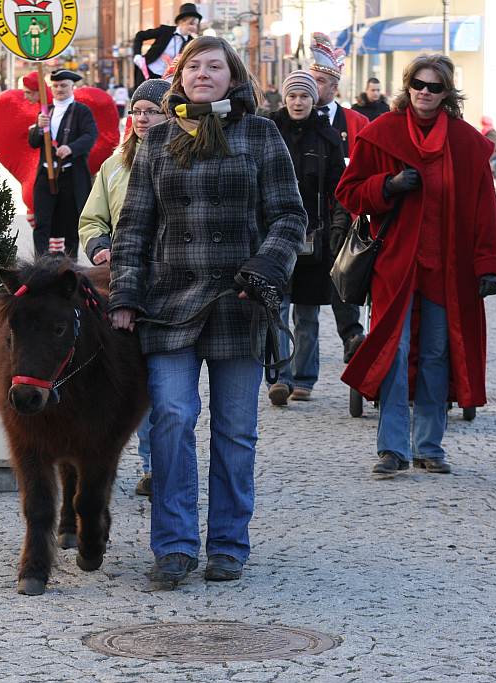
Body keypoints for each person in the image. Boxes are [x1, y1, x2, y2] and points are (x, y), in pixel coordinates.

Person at [108, 37, 307, 586]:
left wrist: (266, 266)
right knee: (171, 419)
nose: (203, 74)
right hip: (169, 303)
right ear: (179, 75)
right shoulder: (159, 137)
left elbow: (290, 217)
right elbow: (134, 227)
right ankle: (173, 545)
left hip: (238, 303)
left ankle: (227, 545)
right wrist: (124, 295)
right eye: (193, 66)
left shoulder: (260, 132)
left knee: (235, 429)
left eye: (213, 66)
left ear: (232, 75)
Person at [335, 53, 496, 478]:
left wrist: (489, 265)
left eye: (435, 87)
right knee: (393, 353)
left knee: (436, 354)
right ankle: (391, 448)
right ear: (408, 86)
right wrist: (387, 186)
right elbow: (349, 191)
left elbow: (485, 209)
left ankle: (429, 445)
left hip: (448, 269)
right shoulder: (382, 134)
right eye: (419, 85)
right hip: (395, 266)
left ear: (447, 93)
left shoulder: (467, 143)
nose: (425, 93)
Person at [79, 78, 170, 497]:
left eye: (152, 111)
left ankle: (158, 465)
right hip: (122, 286)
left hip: (170, 287)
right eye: (138, 111)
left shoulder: (179, 159)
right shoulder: (114, 166)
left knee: (160, 385)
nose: (143, 119)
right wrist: (100, 249)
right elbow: (92, 219)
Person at [265, 71, 350, 406]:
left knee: (307, 313)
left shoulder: (327, 138)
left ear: (314, 100)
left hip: (315, 238)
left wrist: (336, 231)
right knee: (275, 309)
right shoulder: (269, 131)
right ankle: (279, 378)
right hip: (274, 235)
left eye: (304, 97)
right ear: (284, 99)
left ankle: (304, 379)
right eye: (292, 96)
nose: (297, 102)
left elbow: (339, 190)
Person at [308, 32, 367, 364]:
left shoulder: (356, 121)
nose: (313, 86)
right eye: (310, 78)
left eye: (319, 80)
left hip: (345, 212)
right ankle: (299, 371)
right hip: (307, 210)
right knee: (302, 297)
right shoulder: (293, 117)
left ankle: (352, 335)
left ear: (334, 85)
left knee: (344, 273)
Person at [26, 69, 98, 257]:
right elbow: (33, 143)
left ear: (72, 87)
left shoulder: (82, 111)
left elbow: (90, 136)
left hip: (70, 175)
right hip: (46, 175)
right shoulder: (45, 111)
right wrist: (39, 129)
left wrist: (71, 148)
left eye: (64, 85)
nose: (59, 89)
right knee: (42, 223)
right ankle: (40, 263)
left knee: (71, 224)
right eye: (56, 86)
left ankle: (70, 265)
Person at [131, 3, 201, 85]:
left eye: (196, 25)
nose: (194, 28)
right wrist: (137, 55)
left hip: (168, 78)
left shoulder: (191, 42)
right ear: (182, 21)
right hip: (147, 71)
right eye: (191, 24)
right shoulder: (165, 30)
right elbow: (140, 35)